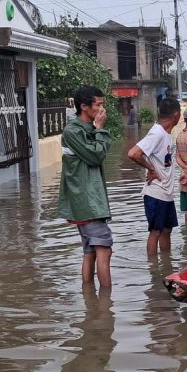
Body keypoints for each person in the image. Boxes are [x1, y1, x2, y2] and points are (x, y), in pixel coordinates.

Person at [58, 86, 113, 287]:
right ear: (84, 106)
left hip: (88, 201)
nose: (101, 109)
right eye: (98, 104)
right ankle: (107, 307)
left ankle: (92, 304)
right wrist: (99, 129)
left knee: (90, 252)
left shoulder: (84, 129)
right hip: (87, 202)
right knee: (104, 250)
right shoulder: (72, 131)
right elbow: (95, 156)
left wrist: (97, 129)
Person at [127, 99, 182, 255]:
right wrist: (151, 169)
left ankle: (166, 265)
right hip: (156, 193)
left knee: (166, 230)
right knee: (155, 232)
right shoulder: (157, 132)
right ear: (176, 114)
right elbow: (133, 153)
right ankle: (153, 271)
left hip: (166, 193)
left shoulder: (165, 134)